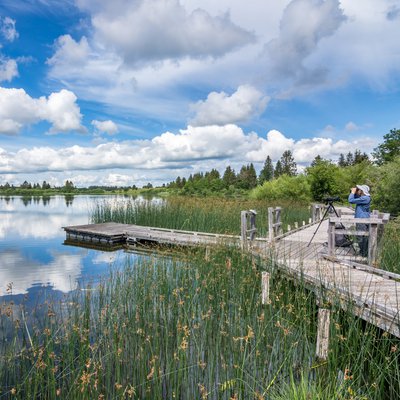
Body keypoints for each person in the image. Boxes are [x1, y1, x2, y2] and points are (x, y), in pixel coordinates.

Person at [348, 184, 371, 257]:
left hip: (362, 220)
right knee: (363, 237)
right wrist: (355, 192)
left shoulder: (365, 198)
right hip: (363, 219)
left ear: (363, 191)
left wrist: (352, 192)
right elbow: (355, 198)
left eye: (360, 189)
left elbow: (350, 200)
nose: (359, 190)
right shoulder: (364, 198)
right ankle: (364, 253)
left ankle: (363, 254)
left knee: (360, 237)